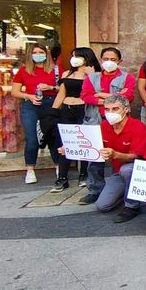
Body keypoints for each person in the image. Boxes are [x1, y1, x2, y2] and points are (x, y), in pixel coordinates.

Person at [77, 95, 146, 222]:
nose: (110, 113)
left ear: (126, 109)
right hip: (118, 172)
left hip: (137, 171)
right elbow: (92, 146)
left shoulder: (138, 127)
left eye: (115, 109)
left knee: (127, 170)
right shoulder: (104, 126)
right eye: (107, 109)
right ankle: (124, 193)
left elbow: (136, 156)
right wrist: (70, 149)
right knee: (102, 206)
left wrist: (115, 155)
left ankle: (132, 206)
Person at [10, 43, 62, 184]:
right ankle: (30, 170)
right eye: (35, 52)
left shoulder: (56, 70)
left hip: (51, 103)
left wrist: (50, 87)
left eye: (41, 52)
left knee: (53, 137)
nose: (38, 55)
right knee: (32, 139)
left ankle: (59, 168)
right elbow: (14, 91)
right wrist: (29, 96)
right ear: (30, 55)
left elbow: (64, 88)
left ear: (46, 54)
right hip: (31, 105)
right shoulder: (23, 71)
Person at [49, 47, 99, 192]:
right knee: (66, 142)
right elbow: (61, 94)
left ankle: (83, 174)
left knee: (83, 142)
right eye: (72, 55)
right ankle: (62, 178)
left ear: (86, 57)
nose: (74, 58)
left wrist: (92, 75)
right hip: (66, 108)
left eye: (77, 56)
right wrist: (53, 111)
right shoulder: (67, 73)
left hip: (83, 109)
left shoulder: (95, 74)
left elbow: (96, 92)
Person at [80, 47, 136, 120]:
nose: (109, 62)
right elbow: (85, 97)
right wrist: (116, 97)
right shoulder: (92, 77)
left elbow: (128, 97)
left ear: (119, 61)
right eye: (106, 59)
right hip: (94, 118)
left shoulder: (128, 77)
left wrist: (100, 95)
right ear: (101, 60)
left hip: (118, 118)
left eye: (113, 60)